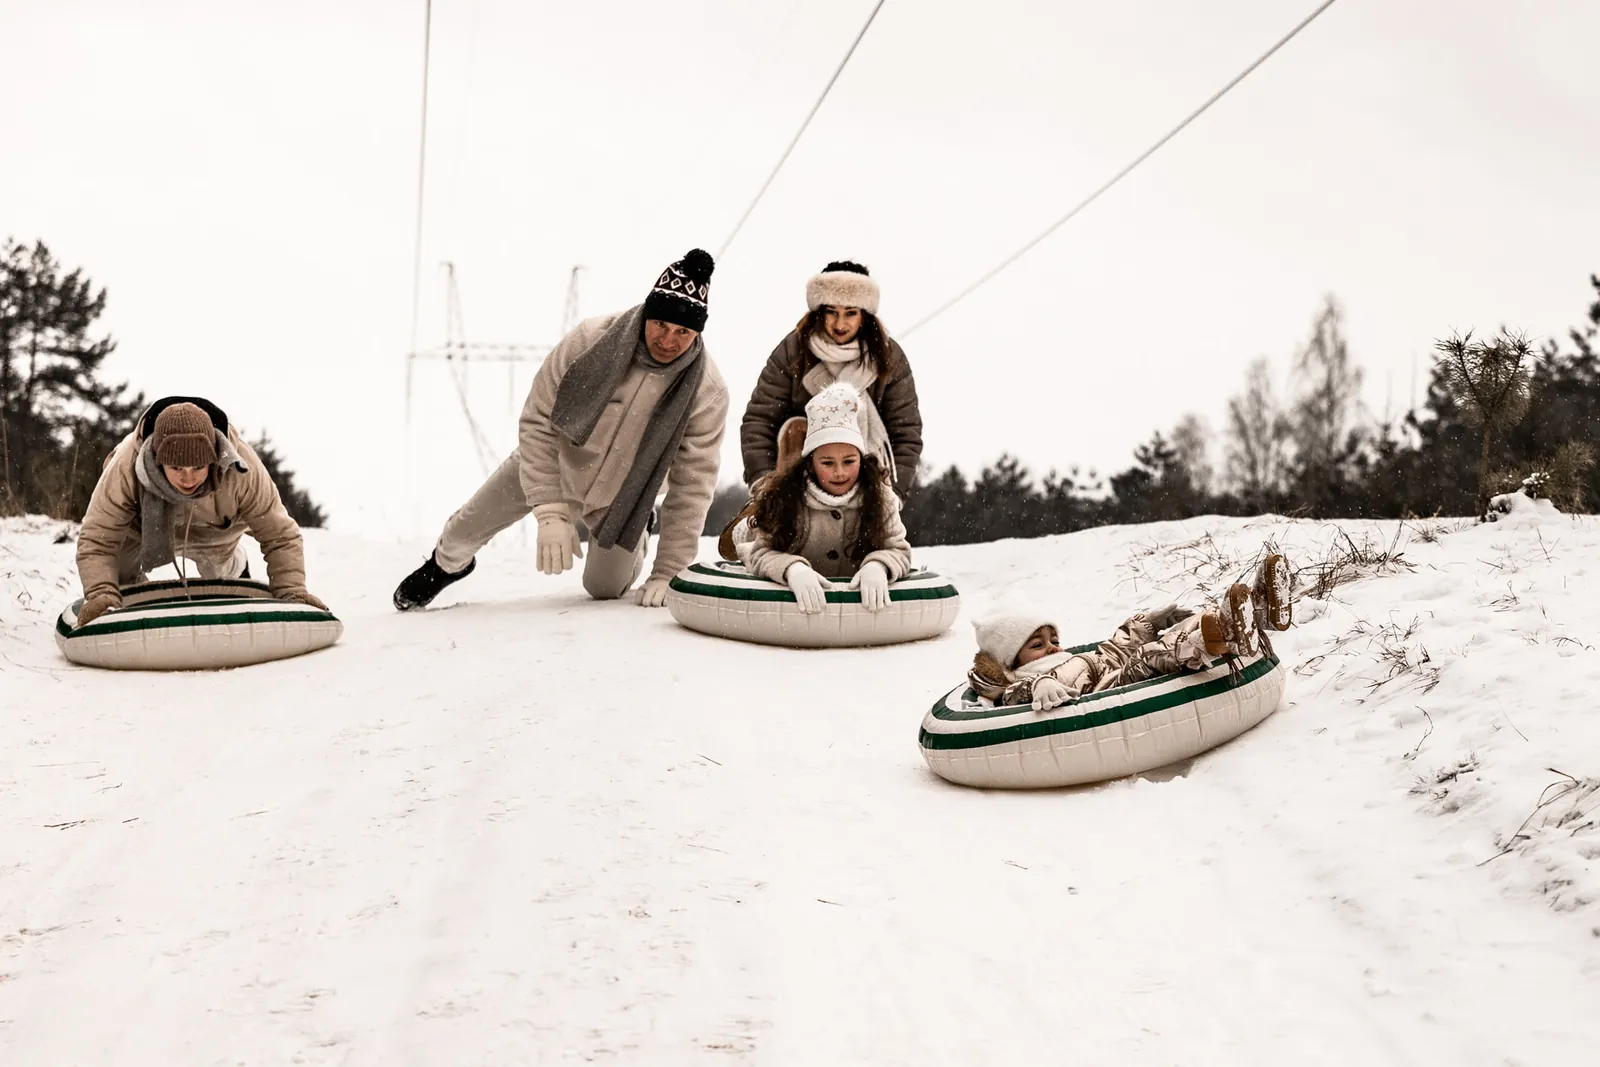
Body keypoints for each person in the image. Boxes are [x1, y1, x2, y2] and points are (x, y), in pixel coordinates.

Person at [393, 248, 729, 610]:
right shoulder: (591, 340)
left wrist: (668, 572)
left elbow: (693, 485)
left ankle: (639, 526)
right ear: (647, 314)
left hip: (623, 496)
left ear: (697, 333)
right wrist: (551, 511)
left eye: (683, 331)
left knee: (604, 588)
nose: (668, 340)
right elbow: (538, 418)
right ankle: (444, 566)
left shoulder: (706, 392)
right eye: (661, 324)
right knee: (462, 530)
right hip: (553, 462)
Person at [74, 396, 327, 627]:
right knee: (119, 576)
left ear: (213, 458)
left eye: (198, 467)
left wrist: (292, 592)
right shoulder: (126, 466)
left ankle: (234, 565)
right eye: (176, 468)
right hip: (143, 529)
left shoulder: (243, 468)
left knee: (220, 570)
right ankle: (132, 588)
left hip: (215, 530)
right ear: (158, 461)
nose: (188, 478)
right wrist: (101, 593)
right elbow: (98, 539)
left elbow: (280, 535)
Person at [968, 552, 1293, 709]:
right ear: (1013, 659)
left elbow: (1110, 652)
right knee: (1149, 657)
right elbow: (1014, 698)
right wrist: (1038, 686)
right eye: (1037, 645)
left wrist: (1147, 622)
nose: (1052, 647)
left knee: (1173, 633)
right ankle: (1224, 631)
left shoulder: (1071, 660)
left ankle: (1258, 614)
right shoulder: (1022, 682)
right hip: (1107, 694)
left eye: (1053, 638)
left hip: (1115, 674)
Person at [739, 260, 922, 495]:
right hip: (797, 482)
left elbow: (905, 432)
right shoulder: (793, 352)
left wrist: (892, 495)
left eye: (850, 313)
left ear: (864, 315)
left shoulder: (888, 358)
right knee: (797, 428)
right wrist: (763, 483)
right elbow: (760, 420)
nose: (840, 324)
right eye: (832, 312)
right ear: (820, 312)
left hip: (868, 483)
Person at [737, 382, 912, 614]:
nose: (839, 472)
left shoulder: (882, 498)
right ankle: (743, 523)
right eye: (827, 463)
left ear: (861, 458)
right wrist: (793, 569)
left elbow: (898, 549)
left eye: (849, 461)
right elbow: (763, 552)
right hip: (758, 533)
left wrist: (878, 565)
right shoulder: (785, 498)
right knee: (746, 538)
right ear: (810, 463)